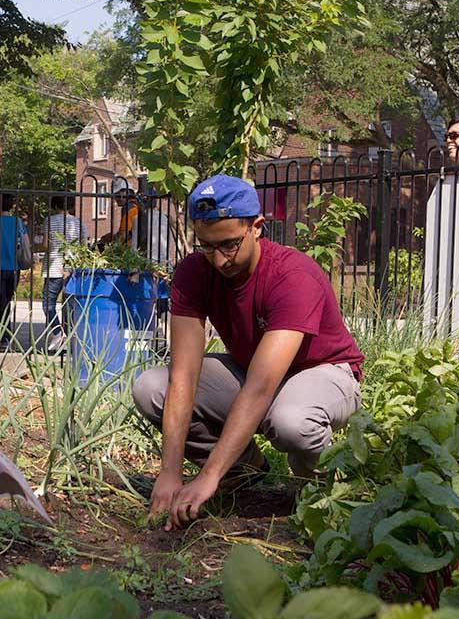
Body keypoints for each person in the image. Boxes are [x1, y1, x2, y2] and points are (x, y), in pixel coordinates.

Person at [132, 175, 364, 530]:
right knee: (151, 387)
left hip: (324, 373)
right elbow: (184, 375)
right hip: (254, 372)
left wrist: (207, 477)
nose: (219, 260)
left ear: (257, 227)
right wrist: (170, 472)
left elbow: (259, 387)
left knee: (291, 421)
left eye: (229, 245)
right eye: (207, 247)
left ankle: (320, 494)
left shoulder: (293, 274)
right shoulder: (195, 272)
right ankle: (244, 469)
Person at [38, 194, 85, 351]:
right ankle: (68, 338)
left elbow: (45, 244)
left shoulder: (49, 221)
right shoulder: (79, 223)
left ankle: (58, 332)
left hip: (53, 268)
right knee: (69, 306)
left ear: (54, 205)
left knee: (48, 304)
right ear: (71, 206)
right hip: (72, 269)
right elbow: (84, 247)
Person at [0, 193, 27, 347]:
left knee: (1, 303)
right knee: (7, 302)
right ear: (11, 206)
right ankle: (6, 335)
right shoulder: (18, 222)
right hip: (14, 268)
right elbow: (25, 243)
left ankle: (4, 337)